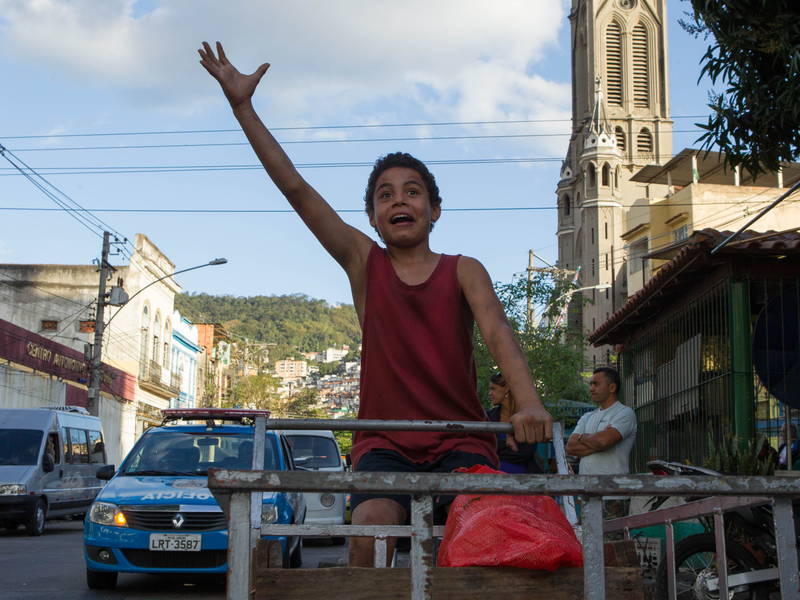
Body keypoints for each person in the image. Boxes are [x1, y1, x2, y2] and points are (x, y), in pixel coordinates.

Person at [198, 42, 553, 567]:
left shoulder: (465, 270)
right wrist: (243, 107)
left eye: (412, 192)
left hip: (462, 440)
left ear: (435, 209)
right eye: (385, 195)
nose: (399, 200)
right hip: (385, 443)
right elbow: (296, 189)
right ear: (371, 217)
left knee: (480, 538)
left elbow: (500, 332)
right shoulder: (364, 263)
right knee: (371, 534)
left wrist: (528, 403)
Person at [565, 367, 636, 525]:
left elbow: (603, 441)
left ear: (612, 387)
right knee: (587, 541)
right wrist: (599, 441)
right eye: (591, 384)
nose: (591, 388)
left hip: (612, 495)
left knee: (610, 540)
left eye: (596, 384)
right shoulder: (587, 417)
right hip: (587, 495)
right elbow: (571, 447)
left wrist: (583, 437)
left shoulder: (624, 413)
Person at [485, 372, 543, 474]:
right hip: (492, 477)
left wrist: (496, 447)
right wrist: (511, 445)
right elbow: (484, 447)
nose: (490, 393)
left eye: (493, 389)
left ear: (506, 388)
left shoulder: (526, 417)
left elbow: (526, 451)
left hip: (524, 478)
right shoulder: (488, 417)